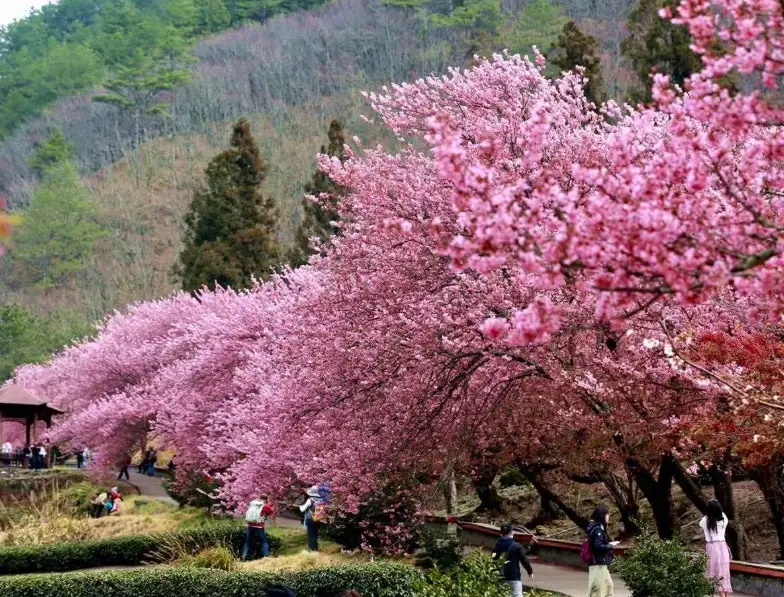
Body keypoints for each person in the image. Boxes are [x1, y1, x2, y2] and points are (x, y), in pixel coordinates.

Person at [700, 499, 733, 597]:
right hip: (723, 547)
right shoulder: (724, 518)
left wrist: (708, 514)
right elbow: (721, 514)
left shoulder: (706, 520)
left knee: (716, 575)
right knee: (724, 573)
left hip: (712, 547)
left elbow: (701, 523)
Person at [586, 505, 620, 597]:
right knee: (598, 591)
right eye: (607, 514)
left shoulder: (598, 528)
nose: (608, 516)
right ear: (602, 515)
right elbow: (598, 546)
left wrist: (609, 544)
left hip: (601, 563)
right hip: (598, 563)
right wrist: (610, 545)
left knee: (609, 586)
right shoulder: (597, 530)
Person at [492, 524, 534, 597]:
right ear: (512, 533)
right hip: (514, 577)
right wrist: (530, 571)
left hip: (500, 577)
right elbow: (524, 560)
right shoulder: (516, 546)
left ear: (501, 533)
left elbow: (493, 560)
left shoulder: (497, 545)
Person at [242, 495, 275, 560]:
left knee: (247, 542)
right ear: (266, 499)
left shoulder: (253, 504)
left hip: (250, 525)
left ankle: (243, 556)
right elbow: (272, 513)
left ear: (260, 498)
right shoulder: (266, 506)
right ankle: (265, 556)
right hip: (259, 526)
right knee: (264, 541)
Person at [300, 485, 321, 551]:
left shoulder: (310, 500)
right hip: (318, 519)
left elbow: (302, 509)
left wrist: (300, 506)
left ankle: (312, 550)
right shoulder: (320, 501)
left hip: (310, 519)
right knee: (315, 534)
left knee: (311, 535)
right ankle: (316, 549)